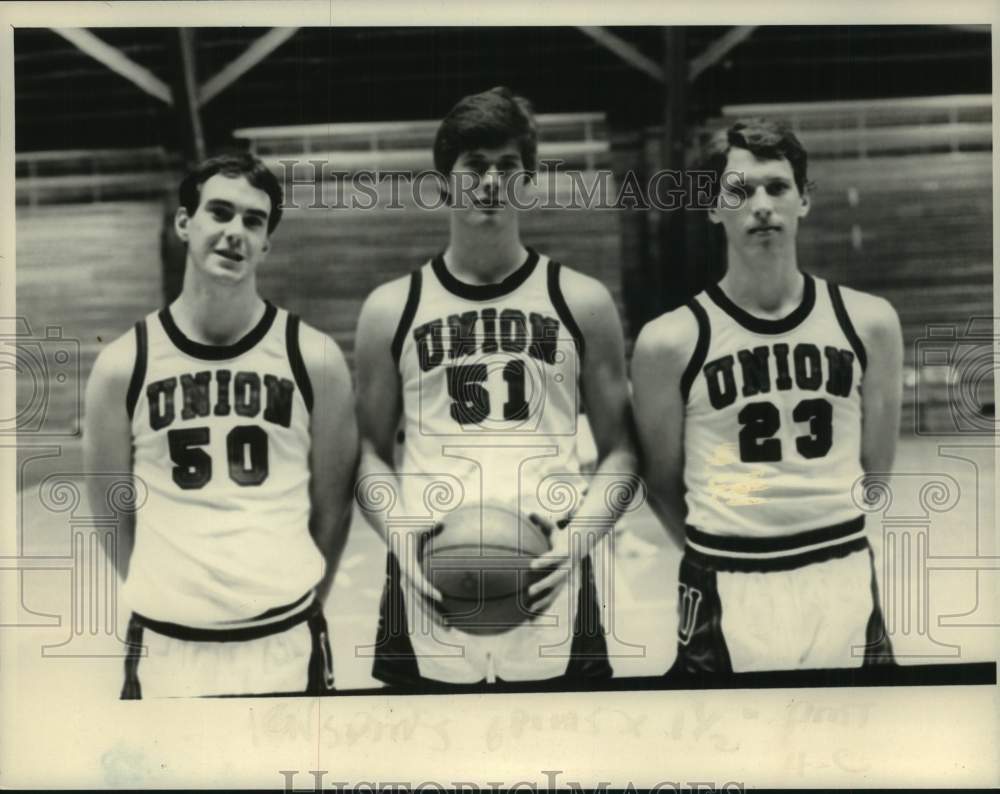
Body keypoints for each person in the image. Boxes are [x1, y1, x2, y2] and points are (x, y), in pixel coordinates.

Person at [354, 86, 636, 687]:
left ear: (528, 183)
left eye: (508, 168)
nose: (489, 183)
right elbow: (368, 455)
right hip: (428, 574)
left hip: (551, 574)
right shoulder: (391, 309)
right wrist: (402, 540)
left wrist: (580, 542)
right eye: (473, 168)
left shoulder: (581, 302)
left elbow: (622, 450)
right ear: (442, 184)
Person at [632, 119, 902, 674]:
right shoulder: (670, 341)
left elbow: (875, 470)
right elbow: (661, 479)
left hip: (841, 568)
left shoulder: (869, 322)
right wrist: (726, 543)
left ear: (803, 200)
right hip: (728, 575)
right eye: (739, 190)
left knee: (858, 747)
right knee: (727, 754)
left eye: (777, 187)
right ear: (712, 208)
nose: (761, 205)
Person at [83, 153, 358, 697]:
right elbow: (111, 514)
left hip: (283, 639)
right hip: (167, 646)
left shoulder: (314, 358)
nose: (236, 232)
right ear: (186, 223)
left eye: (253, 221)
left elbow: (334, 506)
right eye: (220, 213)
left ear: (266, 243)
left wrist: (294, 592)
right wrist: (170, 592)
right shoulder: (123, 364)